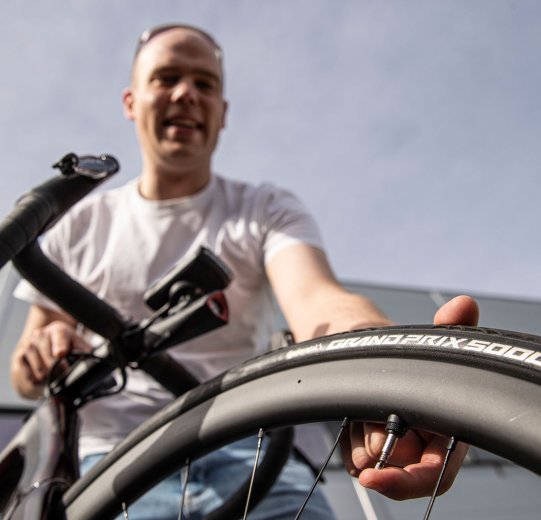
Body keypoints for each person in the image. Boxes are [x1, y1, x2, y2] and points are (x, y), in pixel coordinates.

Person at [10, 24, 479, 518]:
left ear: (223, 112)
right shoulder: (77, 222)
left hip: (249, 448)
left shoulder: (262, 207)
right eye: (166, 78)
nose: (186, 93)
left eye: (204, 84)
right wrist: (42, 353)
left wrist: (385, 360)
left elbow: (317, 301)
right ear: (131, 101)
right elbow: (27, 369)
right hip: (116, 462)